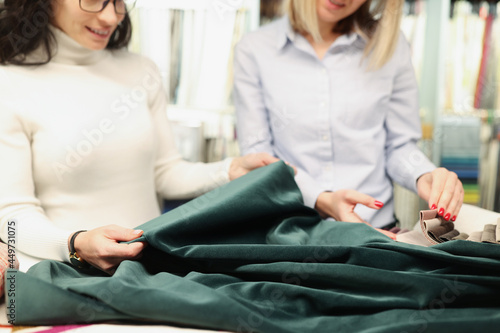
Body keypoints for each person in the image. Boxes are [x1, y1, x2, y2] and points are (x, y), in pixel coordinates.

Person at [0, 0, 283, 275]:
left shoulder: (141, 71)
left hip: (151, 270)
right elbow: (12, 214)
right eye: (94, 1)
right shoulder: (9, 83)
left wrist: (229, 170)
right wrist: (75, 243)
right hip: (66, 276)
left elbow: (165, 173)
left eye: (118, 1)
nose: (112, 17)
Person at [233, 0, 464, 229]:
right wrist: (321, 199)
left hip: (376, 234)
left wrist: (423, 175)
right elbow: (258, 157)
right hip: (290, 233)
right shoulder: (254, 49)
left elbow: (398, 144)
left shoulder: (391, 45)